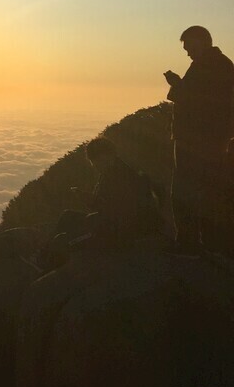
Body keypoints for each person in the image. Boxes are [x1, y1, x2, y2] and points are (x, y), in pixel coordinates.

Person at [39, 138, 160, 270]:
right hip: (116, 222)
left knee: (64, 241)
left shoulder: (120, 176)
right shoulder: (114, 171)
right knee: (67, 216)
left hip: (122, 231)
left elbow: (119, 211)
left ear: (107, 156)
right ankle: (43, 256)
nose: (94, 166)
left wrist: (91, 201)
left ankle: (48, 269)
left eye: (96, 161)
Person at [164, 26, 234, 253]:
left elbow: (203, 104)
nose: (187, 53)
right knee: (206, 191)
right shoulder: (217, 65)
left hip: (197, 140)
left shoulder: (214, 66)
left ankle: (189, 244)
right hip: (206, 140)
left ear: (202, 42)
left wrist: (177, 85)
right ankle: (207, 242)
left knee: (186, 192)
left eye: (189, 47)